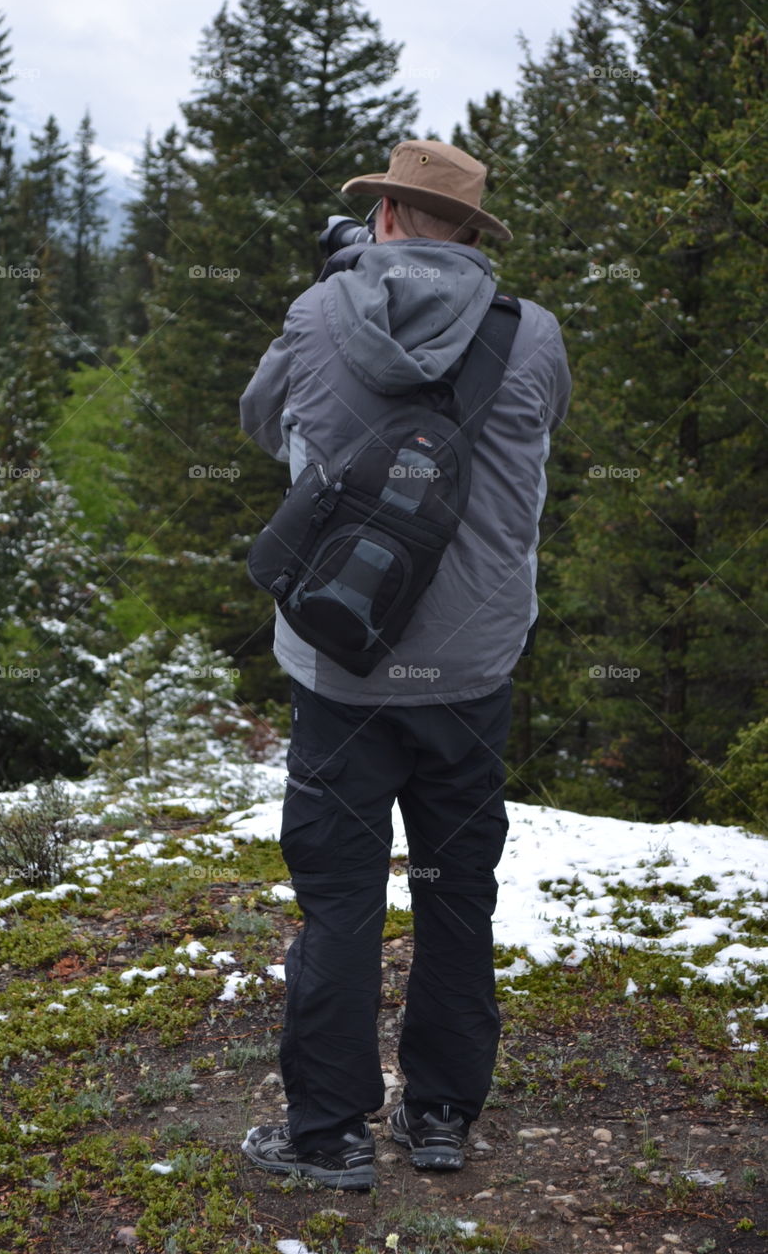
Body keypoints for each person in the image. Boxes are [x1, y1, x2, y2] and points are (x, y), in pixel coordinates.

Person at [239, 139, 571, 1191]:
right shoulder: (533, 337)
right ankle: (438, 1117)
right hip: (470, 677)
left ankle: (328, 1131)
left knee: (338, 900)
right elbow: (534, 441)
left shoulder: (316, 313)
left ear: (381, 215)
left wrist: (334, 300)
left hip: (339, 670)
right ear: (474, 235)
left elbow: (260, 424)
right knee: (454, 889)